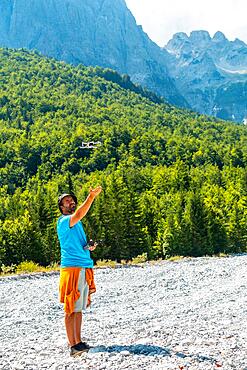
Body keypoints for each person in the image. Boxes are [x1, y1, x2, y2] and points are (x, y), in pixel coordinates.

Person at [57, 187, 102, 357]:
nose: (71, 202)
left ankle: (79, 342)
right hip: (72, 268)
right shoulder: (64, 221)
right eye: (67, 201)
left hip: (83, 266)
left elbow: (81, 244)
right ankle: (72, 345)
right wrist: (91, 197)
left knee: (78, 307)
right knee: (70, 308)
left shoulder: (77, 224)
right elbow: (80, 213)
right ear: (61, 207)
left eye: (72, 200)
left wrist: (89, 247)